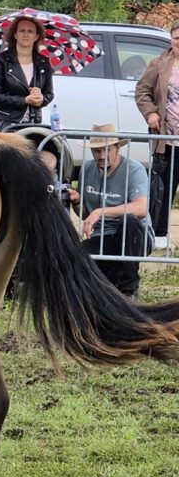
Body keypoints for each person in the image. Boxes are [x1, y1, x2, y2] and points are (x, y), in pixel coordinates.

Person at [67, 124, 152, 298]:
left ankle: (130, 290)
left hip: (135, 236)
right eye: (97, 151)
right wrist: (76, 201)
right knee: (77, 263)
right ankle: (110, 281)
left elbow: (140, 208)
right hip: (102, 235)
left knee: (129, 221)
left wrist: (100, 212)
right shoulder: (87, 169)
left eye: (107, 150)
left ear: (118, 148)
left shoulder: (134, 169)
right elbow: (86, 214)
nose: (102, 156)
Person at [135, 19, 179, 249]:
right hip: (167, 138)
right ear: (171, 39)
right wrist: (150, 113)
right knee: (165, 186)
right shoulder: (159, 63)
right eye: (176, 37)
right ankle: (160, 234)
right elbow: (142, 90)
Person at [0, 15, 54, 130]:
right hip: (5, 123)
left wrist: (41, 99)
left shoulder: (43, 62)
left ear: (37, 36)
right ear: (15, 34)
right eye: (22, 30)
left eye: (30, 31)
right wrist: (24, 100)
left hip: (34, 123)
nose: (26, 34)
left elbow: (49, 94)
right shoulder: (2, 60)